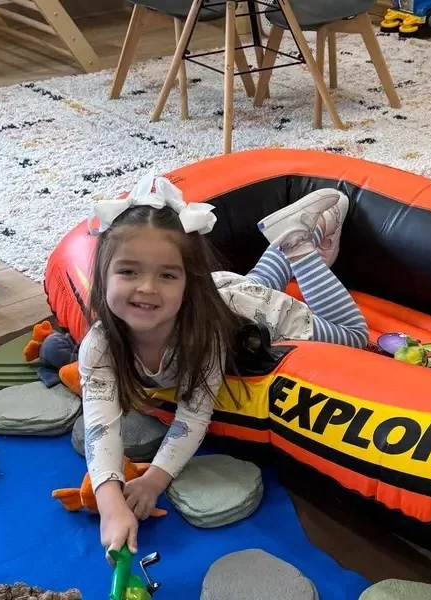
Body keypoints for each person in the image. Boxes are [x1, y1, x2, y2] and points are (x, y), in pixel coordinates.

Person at [78, 169, 368, 563]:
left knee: (355, 336)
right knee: (251, 283)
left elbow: (193, 416)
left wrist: (153, 480)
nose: (146, 287)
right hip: (228, 293)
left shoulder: (201, 335)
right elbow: (101, 422)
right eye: (128, 272)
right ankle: (285, 238)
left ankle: (298, 243)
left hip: (256, 314)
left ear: (187, 282)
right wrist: (110, 501)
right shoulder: (99, 343)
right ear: (103, 273)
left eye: (166, 275)